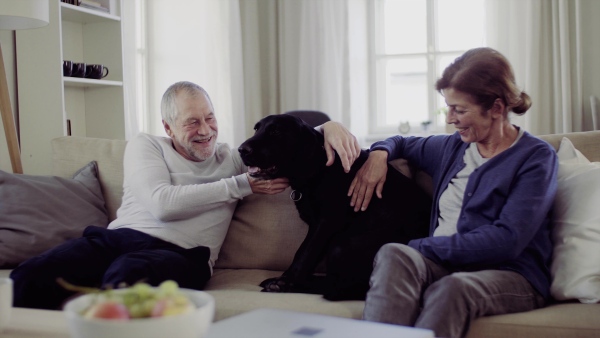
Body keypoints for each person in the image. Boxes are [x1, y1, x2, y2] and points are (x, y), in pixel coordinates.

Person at [10, 81, 361, 310]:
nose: (206, 131)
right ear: (168, 127)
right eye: (192, 122)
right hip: (115, 239)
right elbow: (162, 204)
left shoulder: (232, 158)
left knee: (125, 279)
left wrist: (326, 126)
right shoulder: (146, 145)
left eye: (210, 118)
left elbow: (287, 140)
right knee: (28, 276)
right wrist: (241, 186)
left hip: (184, 256)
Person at [349, 48, 558, 337]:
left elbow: (507, 240)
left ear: (497, 108)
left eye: (459, 110)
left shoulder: (536, 158)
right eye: (448, 107)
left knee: (453, 287)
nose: (450, 118)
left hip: (512, 276)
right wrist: (379, 154)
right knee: (395, 253)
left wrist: (424, 246)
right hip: (444, 266)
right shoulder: (452, 148)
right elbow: (401, 141)